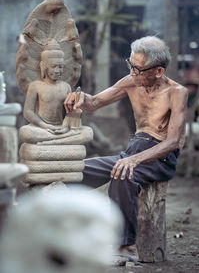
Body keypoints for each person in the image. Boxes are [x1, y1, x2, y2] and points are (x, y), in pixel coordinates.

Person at [64, 36, 188, 263]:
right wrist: (79, 98)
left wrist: (134, 161)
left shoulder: (176, 92)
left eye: (138, 69)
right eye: (130, 65)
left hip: (161, 156)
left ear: (158, 71)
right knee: (75, 170)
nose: (132, 73)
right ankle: (65, 229)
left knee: (123, 174)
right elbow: (95, 103)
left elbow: (172, 142)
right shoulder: (132, 81)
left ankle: (126, 246)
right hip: (134, 149)